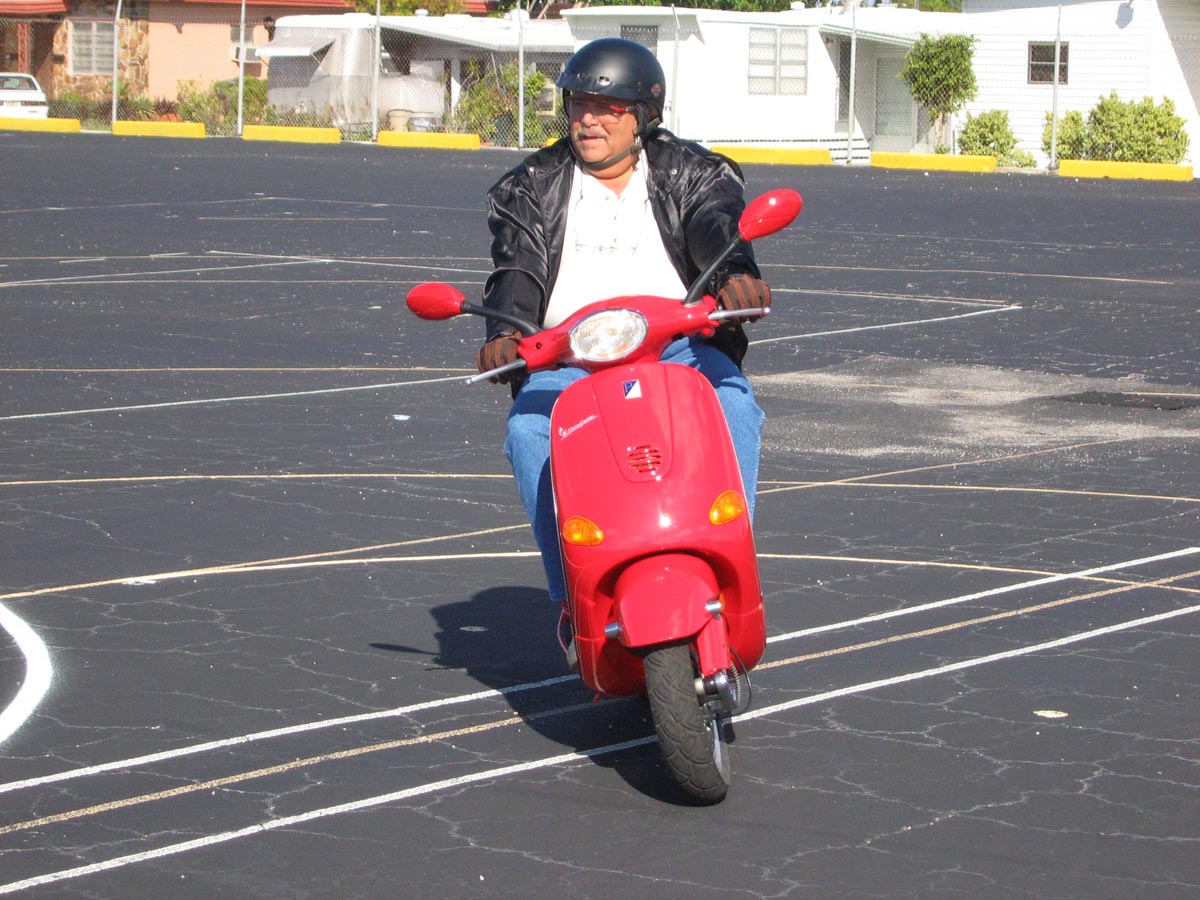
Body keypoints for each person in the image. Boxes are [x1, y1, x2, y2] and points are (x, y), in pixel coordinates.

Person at [476, 38, 773, 656]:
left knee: (734, 406)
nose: (589, 120)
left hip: (675, 344)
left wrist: (733, 275)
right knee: (529, 430)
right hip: (571, 354)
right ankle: (571, 594)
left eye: (608, 108)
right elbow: (517, 268)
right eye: (579, 105)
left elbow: (716, 225)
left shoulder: (692, 172)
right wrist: (505, 332)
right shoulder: (530, 186)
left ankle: (728, 563)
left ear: (642, 116)